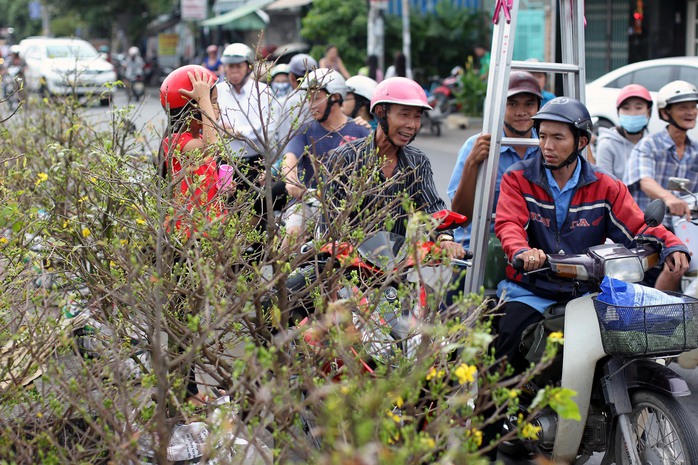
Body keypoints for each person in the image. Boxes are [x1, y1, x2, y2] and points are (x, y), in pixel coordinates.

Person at [480, 97, 690, 459]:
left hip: (585, 291)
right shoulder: (518, 179)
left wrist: (673, 246)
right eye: (542, 136)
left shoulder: (606, 186)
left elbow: (639, 225)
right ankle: (483, 441)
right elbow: (509, 225)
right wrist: (522, 251)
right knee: (503, 346)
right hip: (530, 289)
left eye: (558, 138)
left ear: (581, 141)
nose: (547, 146)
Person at [324, 77, 464, 259]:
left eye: (417, 117)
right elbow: (329, 223)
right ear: (381, 113)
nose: (412, 125)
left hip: (393, 269)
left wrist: (445, 239)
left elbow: (432, 209)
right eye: (404, 115)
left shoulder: (417, 162)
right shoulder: (346, 157)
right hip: (346, 267)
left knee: (426, 289)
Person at [159, 65, 226, 404]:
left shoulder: (190, 138)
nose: (214, 106)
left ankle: (189, 390)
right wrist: (203, 99)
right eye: (209, 101)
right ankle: (186, 394)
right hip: (186, 242)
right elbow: (213, 146)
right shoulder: (180, 143)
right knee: (185, 322)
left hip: (202, 238)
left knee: (192, 318)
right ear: (192, 106)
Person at [448, 71, 542, 247]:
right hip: (478, 247)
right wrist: (472, 163)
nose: (521, 112)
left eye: (529, 104)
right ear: (499, 107)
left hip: (529, 250)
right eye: (512, 104)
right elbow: (461, 215)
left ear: (538, 107)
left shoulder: (546, 147)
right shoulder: (477, 145)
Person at [282, 68, 370, 247]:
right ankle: (281, 275)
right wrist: (291, 181)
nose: (310, 105)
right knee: (292, 234)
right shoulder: (305, 130)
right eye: (308, 99)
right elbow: (290, 158)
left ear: (335, 98)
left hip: (345, 207)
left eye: (316, 98)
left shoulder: (362, 131)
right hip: (307, 202)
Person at [624, 80, 698, 290]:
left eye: (693, 106)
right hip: (647, 228)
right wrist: (668, 198)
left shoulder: (695, 150)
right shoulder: (649, 145)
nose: (690, 112)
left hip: (683, 228)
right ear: (665, 113)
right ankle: (660, 315)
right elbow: (645, 181)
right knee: (676, 262)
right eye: (683, 107)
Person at [216, 43, 287, 236]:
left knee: (258, 209)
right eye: (230, 66)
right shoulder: (218, 91)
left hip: (256, 161)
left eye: (238, 66)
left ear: (248, 67)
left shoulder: (263, 92)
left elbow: (268, 129)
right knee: (227, 210)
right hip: (226, 162)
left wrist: (237, 132)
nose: (233, 71)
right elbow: (214, 123)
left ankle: (256, 253)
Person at [595, 84, 652, 180]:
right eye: (626, 108)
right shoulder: (607, 144)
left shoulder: (652, 144)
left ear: (648, 112)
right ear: (618, 113)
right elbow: (606, 185)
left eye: (638, 108)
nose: (632, 113)